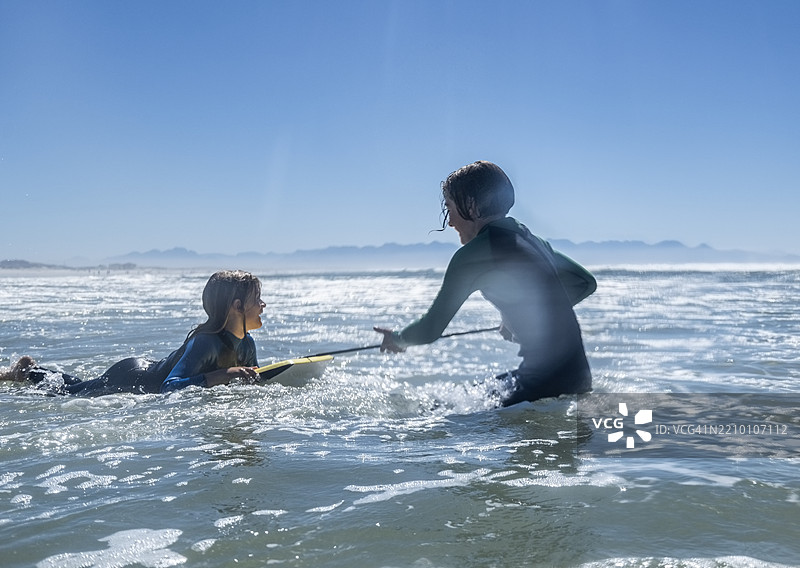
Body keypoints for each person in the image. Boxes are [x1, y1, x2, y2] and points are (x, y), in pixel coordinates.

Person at [373, 161, 596, 407]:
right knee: (471, 395)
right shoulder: (531, 239)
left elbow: (431, 328)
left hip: (542, 386)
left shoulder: (475, 254)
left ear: (470, 205)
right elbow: (584, 283)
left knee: (433, 411)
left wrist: (398, 339)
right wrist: (525, 316)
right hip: (579, 380)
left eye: (450, 209)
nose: (450, 223)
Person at [0, 270, 265, 396]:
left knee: (76, 384)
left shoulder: (247, 344)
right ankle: (27, 371)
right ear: (237, 307)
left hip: (146, 371)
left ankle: (31, 370)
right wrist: (222, 375)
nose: (263, 305)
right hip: (132, 376)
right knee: (69, 391)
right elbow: (169, 387)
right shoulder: (205, 343)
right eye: (258, 299)